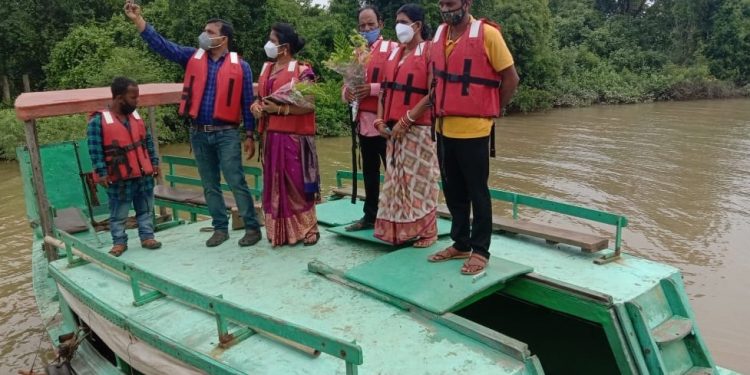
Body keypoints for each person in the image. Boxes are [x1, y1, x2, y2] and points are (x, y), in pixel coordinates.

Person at [124, 1, 261, 248]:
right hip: (198, 132)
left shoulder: (241, 66)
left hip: (227, 133)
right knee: (209, 185)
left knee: (236, 181)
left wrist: (250, 135)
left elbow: (246, 102)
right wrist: (138, 21)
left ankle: (251, 227)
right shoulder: (191, 57)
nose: (204, 36)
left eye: (210, 32)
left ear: (224, 38)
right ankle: (220, 229)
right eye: (204, 31)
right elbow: (163, 46)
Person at [426, 0, 519, 275]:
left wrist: (493, 110)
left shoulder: (488, 34)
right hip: (443, 128)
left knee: (477, 192)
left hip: (475, 129)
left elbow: (511, 78)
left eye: (451, 3)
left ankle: (480, 250)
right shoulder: (440, 34)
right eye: (442, 3)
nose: (446, 8)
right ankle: (461, 243)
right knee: (452, 190)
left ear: (466, 3)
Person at [373, 4, 440, 247]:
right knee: (397, 182)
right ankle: (404, 230)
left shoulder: (430, 51)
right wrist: (379, 119)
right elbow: (383, 90)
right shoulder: (395, 53)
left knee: (421, 181)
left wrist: (408, 119)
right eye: (397, 21)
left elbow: (433, 92)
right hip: (393, 130)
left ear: (418, 25)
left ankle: (428, 231)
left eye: (403, 21)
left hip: (418, 129)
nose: (398, 26)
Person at [250, 23, 321, 246]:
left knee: (297, 185)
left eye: (272, 39)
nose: (268, 44)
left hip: (293, 138)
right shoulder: (267, 70)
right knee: (274, 186)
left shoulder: (302, 71)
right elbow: (261, 99)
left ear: (285, 46)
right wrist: (256, 107)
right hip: (271, 138)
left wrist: (278, 109)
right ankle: (279, 231)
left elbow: (309, 105)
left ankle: (309, 229)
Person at [87, 77, 161, 257]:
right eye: (133, 98)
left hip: (142, 174)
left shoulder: (136, 116)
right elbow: (95, 149)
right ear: (120, 98)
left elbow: (147, 141)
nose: (137, 101)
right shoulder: (98, 121)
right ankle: (119, 242)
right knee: (118, 212)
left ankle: (147, 236)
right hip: (118, 175)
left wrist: (154, 162)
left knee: (145, 208)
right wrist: (102, 173)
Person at [344, 5, 398, 232]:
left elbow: (399, 83)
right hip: (363, 124)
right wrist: (346, 92)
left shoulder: (394, 49)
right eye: (362, 26)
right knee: (369, 173)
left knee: (393, 173)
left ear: (381, 25)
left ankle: (397, 218)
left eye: (371, 25)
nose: (366, 30)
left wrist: (373, 89)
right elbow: (346, 85)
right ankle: (370, 217)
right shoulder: (356, 54)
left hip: (385, 123)